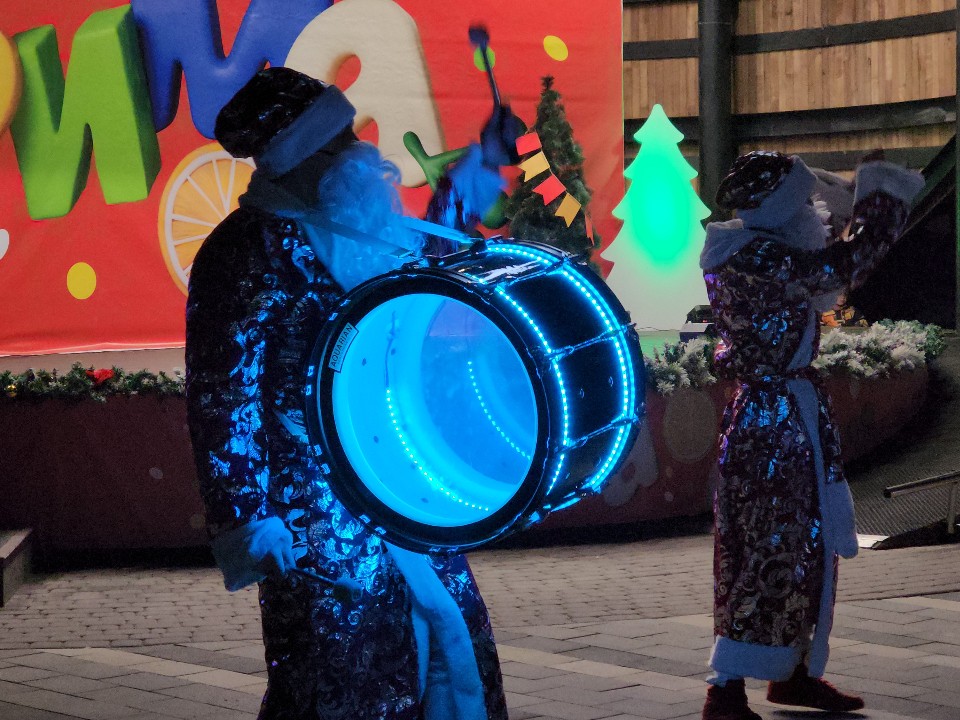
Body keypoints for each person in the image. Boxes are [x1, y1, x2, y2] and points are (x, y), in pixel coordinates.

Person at [185, 66, 518, 720]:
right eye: (341, 141)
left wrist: (482, 165)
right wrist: (249, 519)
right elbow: (222, 397)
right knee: (339, 675)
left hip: (398, 491)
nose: (362, 153)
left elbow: (426, 251)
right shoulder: (243, 252)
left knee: (447, 647)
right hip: (311, 519)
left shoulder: (354, 223)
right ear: (302, 156)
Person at [698, 150, 923, 720]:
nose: (815, 211)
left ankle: (794, 672)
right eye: (803, 201)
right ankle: (724, 690)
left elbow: (825, 265)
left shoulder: (763, 249)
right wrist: (883, 197)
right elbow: (840, 267)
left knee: (805, 548)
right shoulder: (755, 259)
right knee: (761, 550)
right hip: (768, 427)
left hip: (786, 417)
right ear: (777, 210)